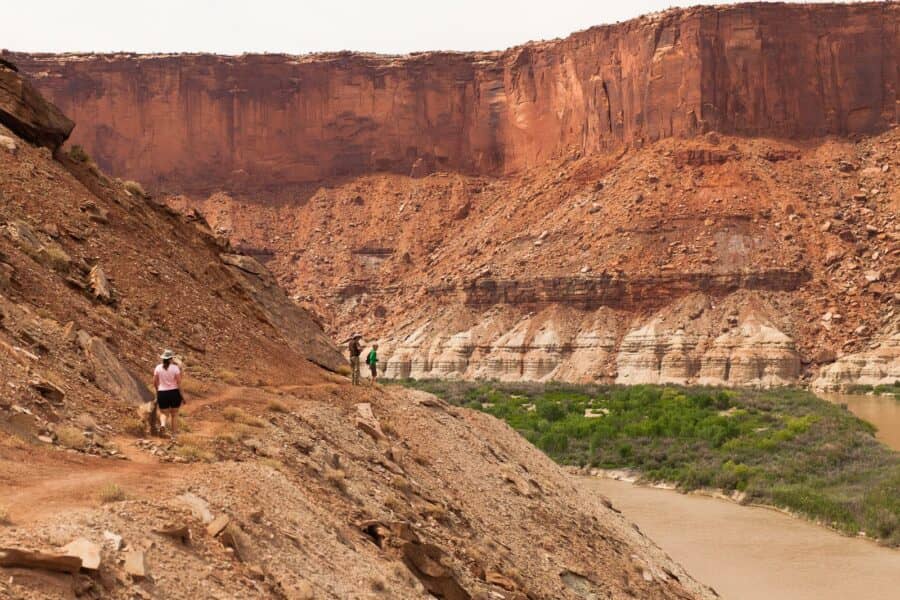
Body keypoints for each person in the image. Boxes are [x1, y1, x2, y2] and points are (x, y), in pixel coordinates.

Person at [153, 349, 184, 437]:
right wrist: (182, 396)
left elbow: (154, 382)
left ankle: (163, 425)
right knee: (174, 415)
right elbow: (179, 382)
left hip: (162, 393)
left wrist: (157, 391)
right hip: (174, 393)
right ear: (170, 359)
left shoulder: (158, 367)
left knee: (163, 413)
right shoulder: (175, 368)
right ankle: (174, 435)